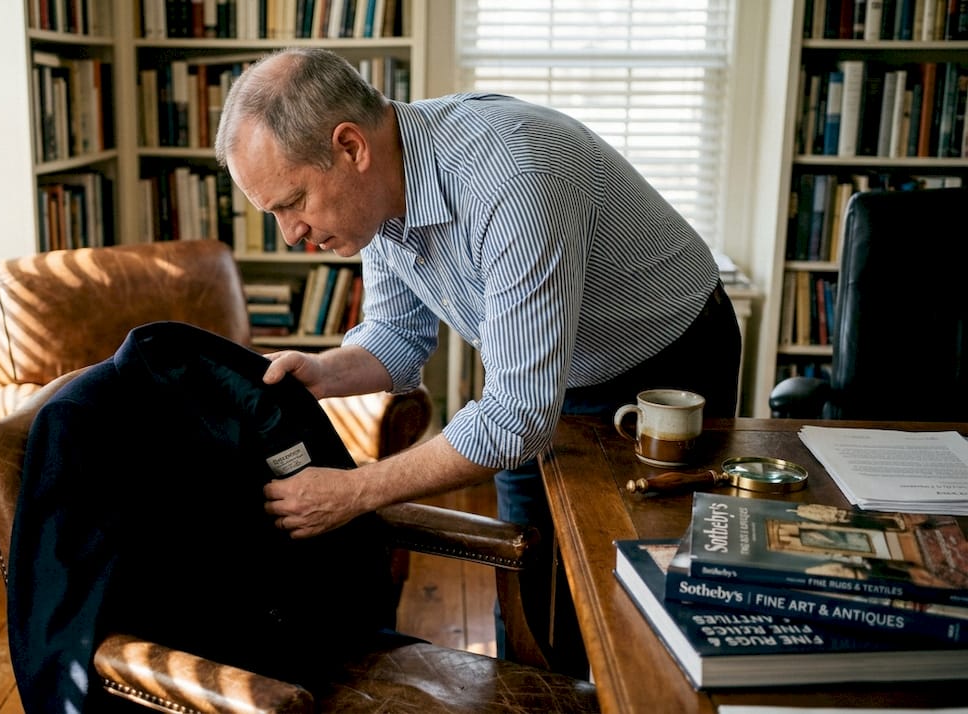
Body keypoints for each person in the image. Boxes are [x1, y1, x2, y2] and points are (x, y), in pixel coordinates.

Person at [215, 47, 741, 659]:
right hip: (540, 382)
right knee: (532, 588)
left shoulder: (513, 173)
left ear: (350, 147)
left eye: (292, 201)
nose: (290, 232)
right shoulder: (378, 193)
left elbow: (516, 420)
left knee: (645, 597)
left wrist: (353, 492)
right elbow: (398, 337)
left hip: (666, 360)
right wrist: (326, 372)